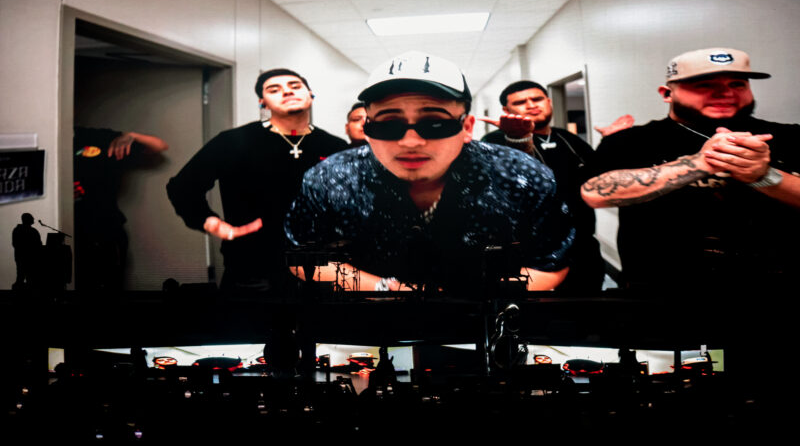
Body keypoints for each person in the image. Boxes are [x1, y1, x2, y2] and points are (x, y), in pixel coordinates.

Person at [284, 51, 574, 295]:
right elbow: (303, 258)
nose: (411, 142)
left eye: (435, 123)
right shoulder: (330, 178)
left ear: (467, 128)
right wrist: (388, 290)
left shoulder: (521, 176)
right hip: (368, 325)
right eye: (388, 124)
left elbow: (549, 265)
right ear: (368, 130)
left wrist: (465, 301)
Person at [580, 47, 800, 292]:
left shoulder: (789, 136)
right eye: (704, 85)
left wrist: (765, 176)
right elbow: (594, 194)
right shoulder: (630, 141)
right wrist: (699, 163)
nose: (725, 93)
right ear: (667, 93)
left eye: (737, 84)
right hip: (660, 289)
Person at [166, 68, 348, 291]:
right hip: (252, 268)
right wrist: (210, 221)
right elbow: (183, 187)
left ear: (310, 94)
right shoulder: (234, 142)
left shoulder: (335, 146)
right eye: (274, 89)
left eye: (295, 86)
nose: (287, 92)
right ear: (263, 102)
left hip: (321, 268)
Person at [480, 81, 609, 293]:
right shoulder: (492, 142)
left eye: (537, 99)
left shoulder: (569, 140)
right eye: (520, 102)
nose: (531, 105)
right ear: (506, 110)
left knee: (587, 306)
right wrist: (518, 140)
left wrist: (612, 142)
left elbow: (599, 180)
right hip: (527, 252)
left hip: (581, 247)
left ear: (549, 102)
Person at [73, 126, 168, 292]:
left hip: (105, 227)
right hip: (68, 228)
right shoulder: (50, 140)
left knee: (110, 285)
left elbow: (160, 145)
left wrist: (132, 135)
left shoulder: (97, 138)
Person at [11, 213, 42, 290]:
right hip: (27, 257)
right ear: (27, 219)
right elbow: (39, 244)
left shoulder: (17, 230)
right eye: (32, 218)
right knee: (24, 277)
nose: (33, 219)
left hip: (22, 257)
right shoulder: (31, 231)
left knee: (23, 277)